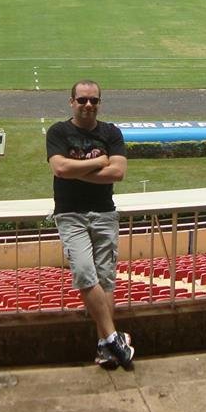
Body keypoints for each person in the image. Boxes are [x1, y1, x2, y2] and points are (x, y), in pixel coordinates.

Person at [46, 79, 134, 369]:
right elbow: (59, 167)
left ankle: (105, 347)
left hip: (104, 213)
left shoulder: (111, 132)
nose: (88, 105)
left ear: (99, 103)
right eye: (82, 100)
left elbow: (118, 172)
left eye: (93, 100)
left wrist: (75, 171)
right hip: (70, 214)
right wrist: (98, 163)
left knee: (105, 280)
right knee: (85, 273)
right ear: (71, 102)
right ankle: (114, 338)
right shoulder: (59, 131)